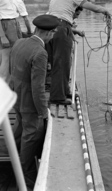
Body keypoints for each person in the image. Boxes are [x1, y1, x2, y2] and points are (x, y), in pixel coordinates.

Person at [10, 14, 59, 189]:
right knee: (30, 139)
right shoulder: (40, 52)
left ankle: (12, 166)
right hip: (30, 104)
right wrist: (43, 112)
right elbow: (38, 87)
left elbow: (12, 71)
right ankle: (26, 180)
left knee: (19, 129)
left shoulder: (19, 43)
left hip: (16, 97)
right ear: (50, 33)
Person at [48, 0, 111, 105]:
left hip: (51, 29)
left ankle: (64, 91)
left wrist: (73, 32)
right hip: (62, 28)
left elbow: (58, 15)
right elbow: (91, 6)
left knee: (58, 62)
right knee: (63, 63)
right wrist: (105, 11)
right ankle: (57, 97)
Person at [0, 0, 21, 82]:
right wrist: (3, 36)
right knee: (7, 58)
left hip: (12, 23)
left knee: (11, 57)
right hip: (6, 25)